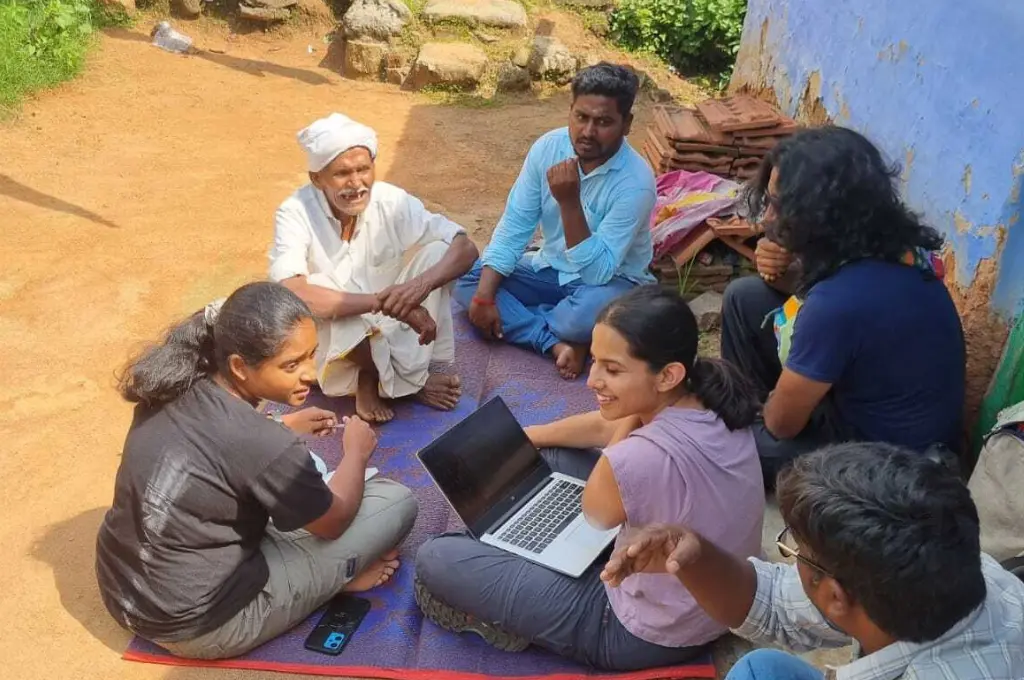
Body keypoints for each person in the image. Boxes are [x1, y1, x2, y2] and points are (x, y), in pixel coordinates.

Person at [414, 286, 765, 671]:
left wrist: (624, 431)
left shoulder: (638, 454)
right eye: (595, 361)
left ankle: (511, 583)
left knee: (435, 558)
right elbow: (604, 427)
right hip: (721, 593)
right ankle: (516, 545)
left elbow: (596, 512)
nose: (592, 379)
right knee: (548, 457)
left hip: (642, 629)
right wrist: (525, 438)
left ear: (668, 375)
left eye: (612, 370)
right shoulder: (709, 391)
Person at [95, 282, 418, 660]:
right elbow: (333, 522)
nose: (310, 375)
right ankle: (332, 581)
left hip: (122, 589)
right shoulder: (264, 443)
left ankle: (321, 575)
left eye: (312, 355)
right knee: (397, 502)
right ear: (238, 366)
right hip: (201, 625)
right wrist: (356, 452)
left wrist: (283, 428)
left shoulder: (170, 385)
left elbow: (213, 450)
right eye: (291, 365)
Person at [601, 442, 1024, 680]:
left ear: (837, 596)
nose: (792, 559)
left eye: (795, 550)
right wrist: (691, 553)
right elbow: (773, 606)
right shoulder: (958, 570)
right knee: (759, 670)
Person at [720, 127, 966, 487]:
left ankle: (750, 420)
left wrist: (771, 408)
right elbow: (833, 303)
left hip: (888, 468)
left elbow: (781, 424)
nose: (768, 219)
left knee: (717, 442)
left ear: (823, 216)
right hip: (903, 423)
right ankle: (758, 406)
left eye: (781, 207)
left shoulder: (836, 304)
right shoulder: (894, 251)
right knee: (745, 297)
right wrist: (786, 269)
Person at [270, 113, 479, 423]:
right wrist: (387, 303)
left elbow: (466, 247)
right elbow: (295, 293)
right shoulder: (295, 212)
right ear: (317, 179)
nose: (356, 184)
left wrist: (414, 290)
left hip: (390, 319)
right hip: (337, 333)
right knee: (318, 288)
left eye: (363, 170)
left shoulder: (390, 201)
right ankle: (385, 379)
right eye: (342, 174)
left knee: (439, 252)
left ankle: (386, 380)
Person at [455, 63, 656, 381]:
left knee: (582, 318)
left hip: (612, 284)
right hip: (549, 269)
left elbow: (597, 272)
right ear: (570, 111)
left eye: (603, 122)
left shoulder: (637, 182)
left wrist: (569, 202)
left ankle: (554, 330)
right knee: (469, 281)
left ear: (626, 123)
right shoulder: (548, 148)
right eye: (581, 117)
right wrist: (483, 297)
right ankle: (557, 344)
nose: (588, 132)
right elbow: (515, 226)